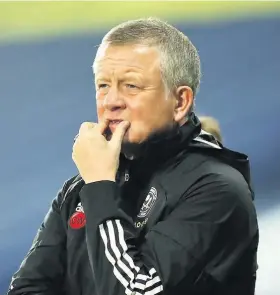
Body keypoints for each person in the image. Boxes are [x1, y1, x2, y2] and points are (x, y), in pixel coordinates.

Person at [7, 18, 259, 295]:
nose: (110, 101)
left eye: (131, 86)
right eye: (103, 85)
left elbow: (137, 291)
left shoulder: (217, 190)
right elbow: (26, 289)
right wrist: (97, 185)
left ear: (180, 102)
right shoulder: (80, 190)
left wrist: (101, 188)